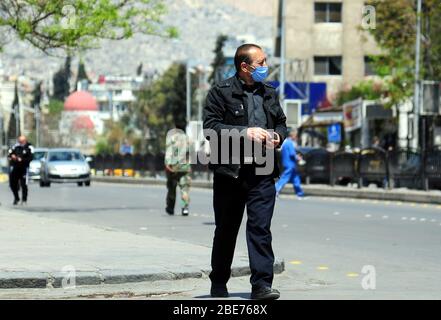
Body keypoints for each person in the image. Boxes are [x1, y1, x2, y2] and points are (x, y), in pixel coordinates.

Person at [203, 44, 287, 300]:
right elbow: (210, 128)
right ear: (244, 66)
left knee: (260, 229)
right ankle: (218, 283)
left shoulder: (270, 93)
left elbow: (282, 123)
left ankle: (261, 286)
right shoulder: (221, 92)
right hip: (231, 174)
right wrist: (244, 132)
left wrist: (278, 137)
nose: (265, 67)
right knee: (226, 229)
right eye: (261, 63)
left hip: (263, 173)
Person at [164, 120, 191, 216]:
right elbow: (189, 153)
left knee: (172, 188)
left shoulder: (172, 137)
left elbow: (169, 151)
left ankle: (170, 207)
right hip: (184, 167)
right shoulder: (187, 138)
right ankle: (185, 208)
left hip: (173, 167)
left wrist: (167, 164)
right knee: (184, 188)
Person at [275, 129, 305, 199]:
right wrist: (299, 158)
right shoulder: (290, 143)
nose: (296, 137)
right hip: (290, 164)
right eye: (296, 136)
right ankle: (275, 191)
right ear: (293, 135)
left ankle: (300, 194)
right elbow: (292, 154)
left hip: (288, 163)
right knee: (284, 178)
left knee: (296, 179)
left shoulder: (285, 142)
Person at [8, 135, 33, 205]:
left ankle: (24, 199)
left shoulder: (29, 147)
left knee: (24, 184)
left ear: (25, 141)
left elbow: (30, 158)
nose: (20, 142)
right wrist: (11, 156)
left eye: (22, 141)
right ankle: (16, 198)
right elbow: (10, 153)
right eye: (19, 141)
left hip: (24, 168)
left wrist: (22, 160)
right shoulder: (15, 146)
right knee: (12, 184)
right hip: (15, 167)